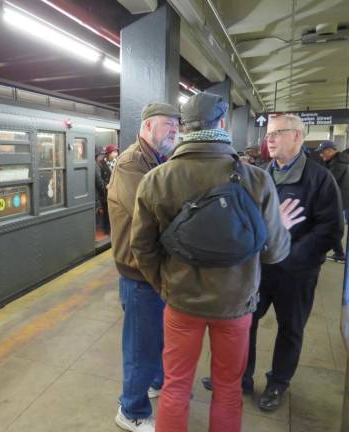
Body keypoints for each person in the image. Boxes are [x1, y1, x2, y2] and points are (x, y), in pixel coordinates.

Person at [129, 93, 300, 432]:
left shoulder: (157, 179)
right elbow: (274, 253)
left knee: (176, 386)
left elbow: (141, 247)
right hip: (235, 306)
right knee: (227, 388)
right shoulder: (256, 179)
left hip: (181, 303)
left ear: (185, 128)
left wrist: (164, 285)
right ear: (222, 124)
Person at [242, 114, 344, 412]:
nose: (269, 139)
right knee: (245, 321)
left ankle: (278, 383)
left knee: (291, 328)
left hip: (297, 273)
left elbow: (330, 229)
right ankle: (242, 377)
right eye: (267, 134)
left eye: (277, 133)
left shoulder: (319, 179)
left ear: (298, 137)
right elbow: (246, 219)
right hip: (259, 270)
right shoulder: (259, 174)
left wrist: (287, 252)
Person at [107, 102, 180, 432]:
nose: (174, 130)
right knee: (140, 345)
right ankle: (131, 410)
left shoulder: (159, 159)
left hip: (153, 267)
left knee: (155, 337)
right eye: (168, 124)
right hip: (137, 272)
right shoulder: (131, 163)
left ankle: (153, 382)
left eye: (176, 125)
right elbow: (150, 210)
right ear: (148, 126)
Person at [317, 140, 349, 263]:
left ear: (330, 150)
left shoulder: (339, 164)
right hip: (340, 200)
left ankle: (340, 254)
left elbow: (328, 182)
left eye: (322, 152)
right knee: (333, 226)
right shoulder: (335, 161)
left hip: (339, 201)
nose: (321, 155)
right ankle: (339, 253)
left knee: (332, 227)